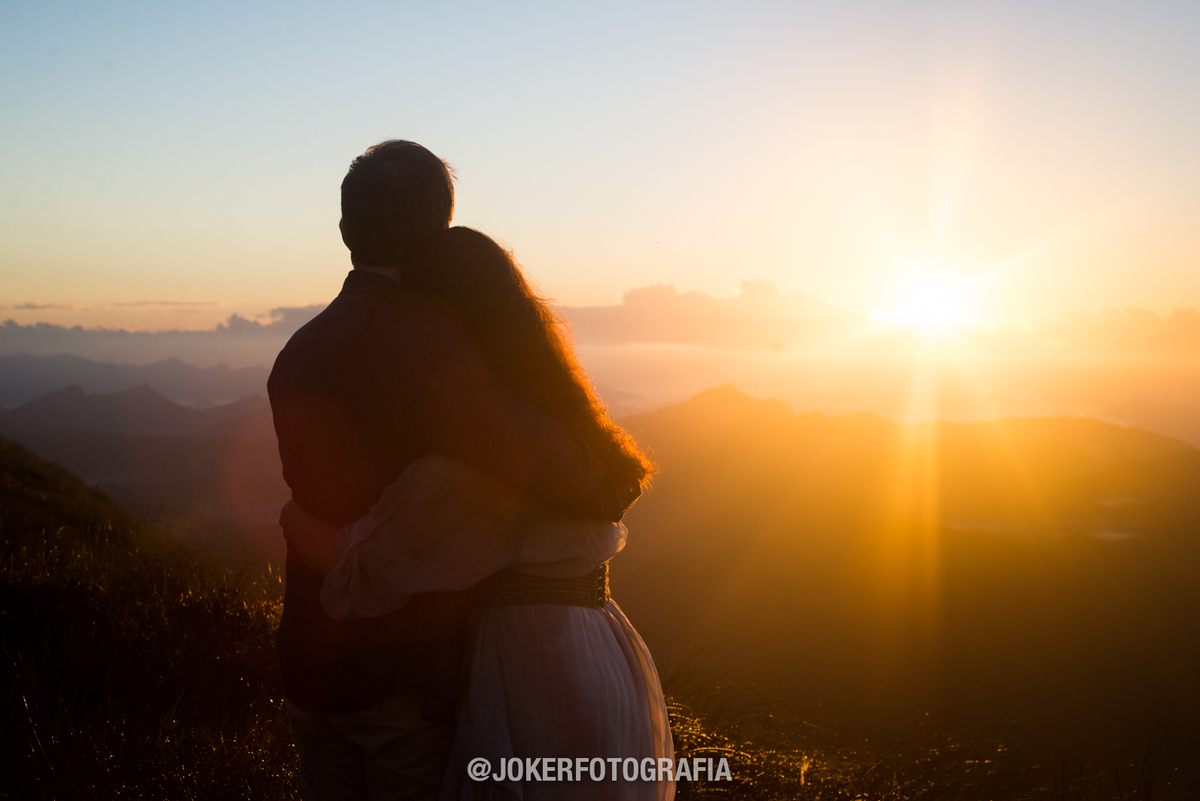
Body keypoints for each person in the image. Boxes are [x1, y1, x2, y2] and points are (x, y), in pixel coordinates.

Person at [269, 141, 627, 800]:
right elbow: (572, 474)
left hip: (310, 663)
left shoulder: (297, 352)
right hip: (407, 676)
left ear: (345, 229)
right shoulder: (443, 357)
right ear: (444, 229)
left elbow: (311, 499)